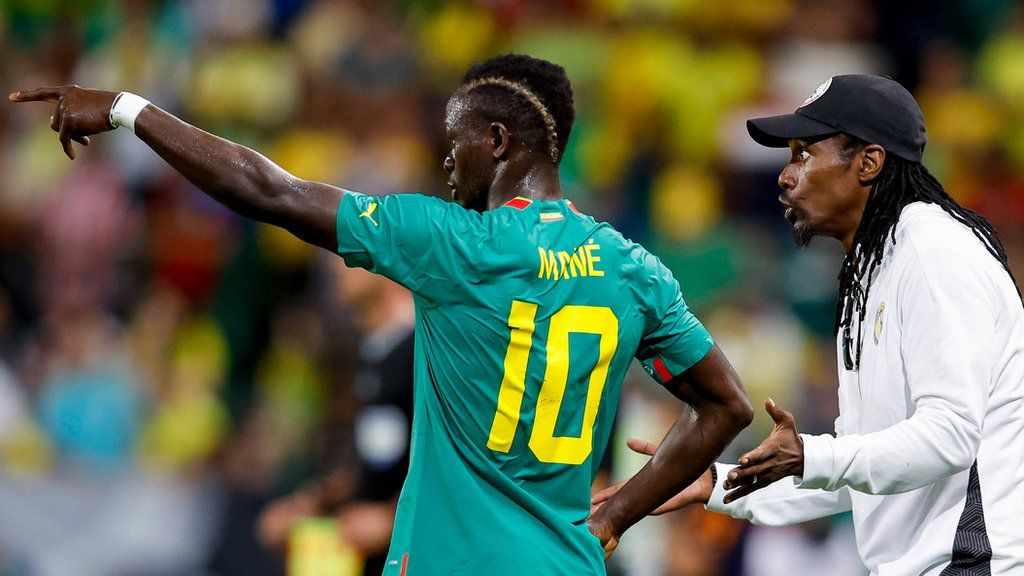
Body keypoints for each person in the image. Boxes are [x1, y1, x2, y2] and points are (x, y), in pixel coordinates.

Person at [11, 53, 753, 574]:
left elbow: (267, 190)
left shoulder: (456, 242)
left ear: (497, 141)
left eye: (454, 143)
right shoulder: (632, 268)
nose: (445, 164)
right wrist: (615, 515)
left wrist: (126, 109)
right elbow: (725, 405)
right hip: (565, 564)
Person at [594, 75, 1024, 575]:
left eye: (804, 153)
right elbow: (859, 470)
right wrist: (719, 483)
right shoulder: (874, 270)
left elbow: (952, 435)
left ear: (868, 162)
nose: (785, 174)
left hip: (975, 563)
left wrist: (812, 455)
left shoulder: (933, 254)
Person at [258, 262, 416, 575]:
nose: (334, 263)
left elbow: (461, 463)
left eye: (349, 248)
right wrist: (310, 503)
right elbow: (374, 464)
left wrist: (391, 519)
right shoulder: (368, 351)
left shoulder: (433, 353)